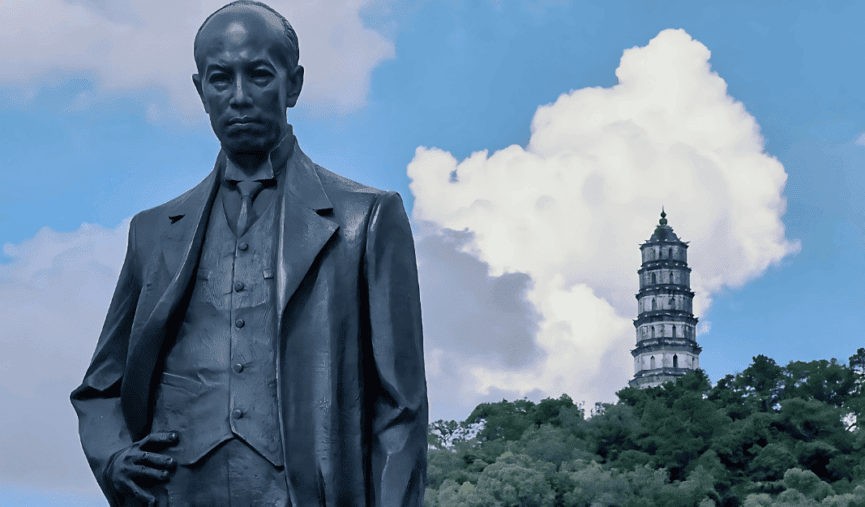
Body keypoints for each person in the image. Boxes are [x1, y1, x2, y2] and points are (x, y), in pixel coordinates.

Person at [70, 2, 427, 505]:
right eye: (220, 79)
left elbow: (401, 409)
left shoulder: (365, 220)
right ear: (201, 91)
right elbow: (100, 389)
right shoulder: (152, 233)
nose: (239, 97)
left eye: (259, 75)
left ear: (294, 84)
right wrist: (113, 460)